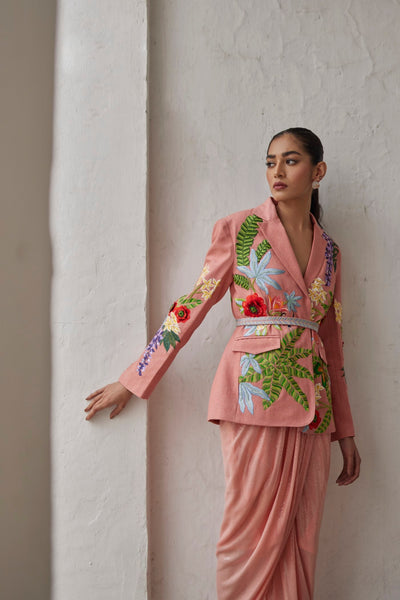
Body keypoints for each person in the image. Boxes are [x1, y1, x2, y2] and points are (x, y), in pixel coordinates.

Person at [85, 127, 361, 599]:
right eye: (270, 161)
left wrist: (346, 431)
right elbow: (192, 304)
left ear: (318, 172)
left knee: (303, 535)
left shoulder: (331, 253)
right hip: (253, 395)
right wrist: (133, 379)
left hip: (315, 411)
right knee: (245, 538)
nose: (277, 171)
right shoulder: (239, 229)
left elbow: (333, 347)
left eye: (291, 161)